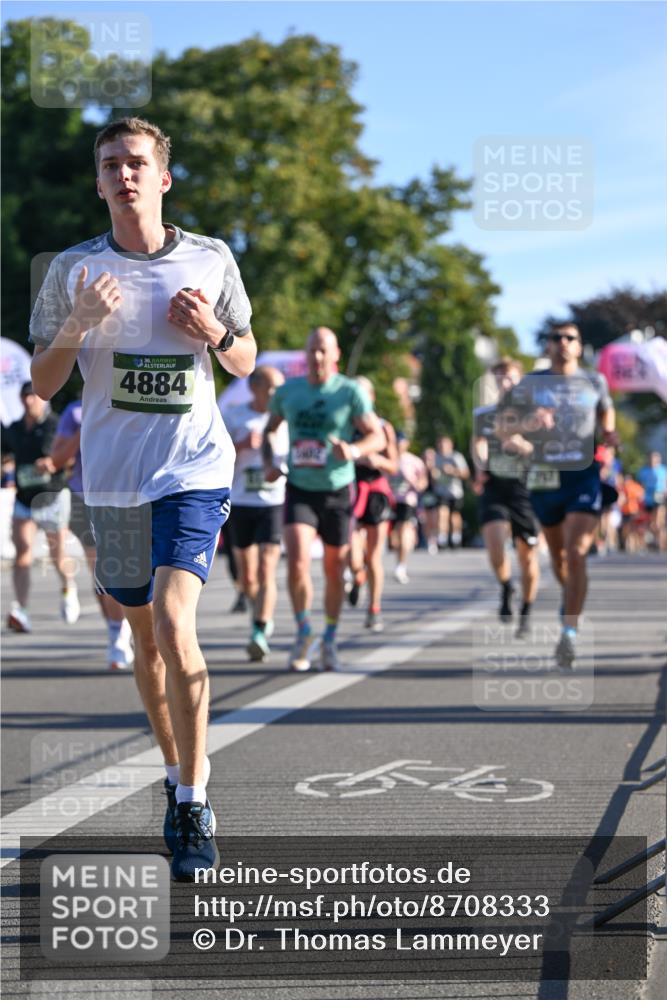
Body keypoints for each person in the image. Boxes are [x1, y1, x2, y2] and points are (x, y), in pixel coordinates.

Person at [29, 117, 256, 880]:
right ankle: (172, 767)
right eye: (110, 165)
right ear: (97, 183)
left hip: (192, 470)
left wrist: (217, 335)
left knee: (171, 620)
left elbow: (247, 358)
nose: (124, 175)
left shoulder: (210, 258)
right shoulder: (72, 268)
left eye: (136, 163)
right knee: (145, 638)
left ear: (163, 178)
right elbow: (41, 383)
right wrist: (79, 323)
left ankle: (192, 797)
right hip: (112, 482)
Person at [262, 327, 383, 671]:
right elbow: (270, 430)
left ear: (335, 355)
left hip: (337, 489)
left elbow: (377, 436)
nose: (316, 357)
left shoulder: (349, 392)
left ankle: (329, 638)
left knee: (334, 567)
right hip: (300, 486)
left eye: (322, 351)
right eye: (311, 350)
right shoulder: (288, 392)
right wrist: (270, 462)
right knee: (298, 559)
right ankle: (303, 632)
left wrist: (355, 449)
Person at [501, 322, 617, 669]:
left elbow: (605, 410)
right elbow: (504, 428)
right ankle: (569, 598)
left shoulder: (594, 381)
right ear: (548, 346)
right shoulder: (531, 384)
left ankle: (569, 631)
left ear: (579, 346)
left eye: (570, 338)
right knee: (559, 558)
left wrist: (608, 432)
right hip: (545, 477)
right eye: (556, 338)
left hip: (583, 475)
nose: (563, 343)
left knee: (576, 551)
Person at [49, 398, 134, 669]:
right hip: (84, 498)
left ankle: (126, 625)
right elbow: (57, 459)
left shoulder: (128, 397)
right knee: (104, 572)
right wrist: (82, 429)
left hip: (127, 496)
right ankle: (117, 633)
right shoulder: (74, 411)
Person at [1, 382, 80, 632]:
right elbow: (5, 455)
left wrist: (53, 462)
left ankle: (68, 587)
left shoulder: (55, 424)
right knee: (22, 552)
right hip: (25, 499)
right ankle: (21, 610)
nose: (28, 401)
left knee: (57, 556)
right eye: (24, 397)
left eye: (32, 397)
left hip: (52, 497)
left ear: (42, 399)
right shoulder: (14, 428)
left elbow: (69, 455)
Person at [222, 366, 288, 660]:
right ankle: (257, 611)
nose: (277, 395)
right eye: (272, 388)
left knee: (266, 569)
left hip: (272, 502)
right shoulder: (235, 416)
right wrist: (242, 445)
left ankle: (259, 629)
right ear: (255, 388)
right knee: (247, 577)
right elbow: (216, 457)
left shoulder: (285, 421)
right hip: (240, 501)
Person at [472, 358, 540, 637]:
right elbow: (476, 445)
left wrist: (522, 446)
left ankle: (526, 609)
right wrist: (481, 465)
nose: (504, 382)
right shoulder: (483, 415)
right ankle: (505, 586)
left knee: (527, 557)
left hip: (525, 488)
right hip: (495, 487)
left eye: (509, 377)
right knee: (496, 545)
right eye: (499, 378)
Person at [347, 375, 399, 632]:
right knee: (353, 554)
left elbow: (394, 465)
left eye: (363, 393)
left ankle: (374, 608)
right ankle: (357, 575)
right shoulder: (344, 423)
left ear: (372, 397)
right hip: (350, 490)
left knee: (374, 556)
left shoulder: (383, 426)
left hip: (376, 492)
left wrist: (377, 461)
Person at [390, 431, 428, 585]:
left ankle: (401, 565)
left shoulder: (414, 461)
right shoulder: (387, 458)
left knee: (403, 530)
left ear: (406, 444)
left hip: (406, 500)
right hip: (387, 500)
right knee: (392, 537)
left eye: (401, 442)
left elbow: (423, 482)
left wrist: (414, 482)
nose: (399, 445)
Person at [424, 436, 470, 552]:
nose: (442, 447)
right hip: (441, 491)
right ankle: (442, 539)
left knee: (454, 516)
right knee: (442, 513)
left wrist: (452, 471)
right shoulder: (436, 458)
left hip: (455, 492)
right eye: (440, 444)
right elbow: (433, 476)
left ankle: (455, 537)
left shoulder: (456, 457)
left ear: (450, 445)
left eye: (444, 444)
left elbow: (466, 473)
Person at [637, 451, 667, 552]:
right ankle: (648, 542)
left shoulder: (663, 470)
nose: (653, 460)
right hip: (647, 498)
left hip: (659, 496)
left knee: (659, 521)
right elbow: (640, 485)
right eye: (651, 458)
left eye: (655, 458)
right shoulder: (643, 471)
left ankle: (660, 543)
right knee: (649, 522)